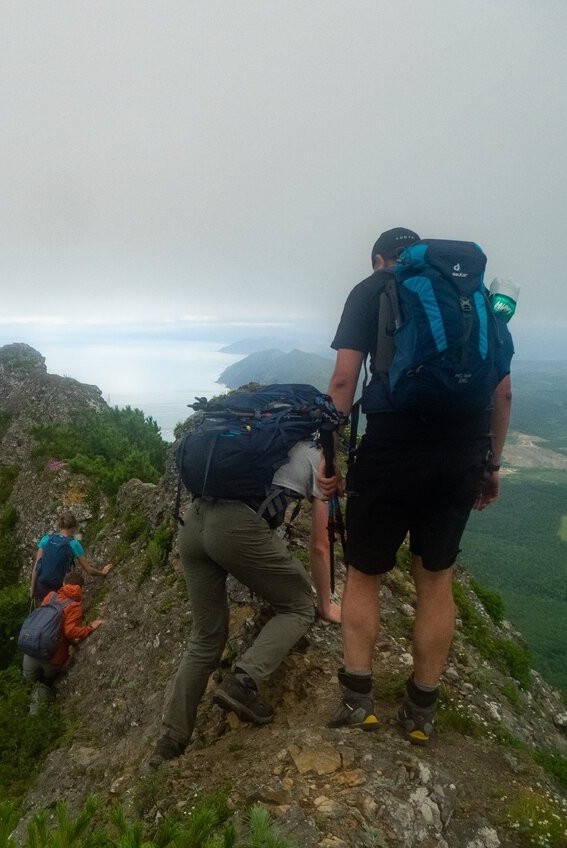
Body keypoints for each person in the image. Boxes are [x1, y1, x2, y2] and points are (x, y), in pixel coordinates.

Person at [320, 227, 513, 744]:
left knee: (364, 576)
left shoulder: (373, 289)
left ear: (381, 258)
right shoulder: (474, 296)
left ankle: (358, 700)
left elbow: (342, 382)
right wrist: (490, 466)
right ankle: (421, 712)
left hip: (392, 451)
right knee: (436, 579)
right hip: (461, 456)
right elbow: (503, 393)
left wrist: (329, 456)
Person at [149, 441, 322, 767]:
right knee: (299, 606)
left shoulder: (253, 438)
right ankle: (242, 682)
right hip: (235, 528)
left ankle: (169, 743)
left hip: (194, 521)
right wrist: (324, 599)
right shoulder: (315, 454)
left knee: (205, 638)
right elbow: (322, 543)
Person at [272, 440, 341, 624]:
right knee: (301, 606)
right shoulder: (318, 457)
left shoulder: (262, 437)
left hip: (201, 524)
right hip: (245, 536)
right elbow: (320, 546)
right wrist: (325, 607)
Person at [23, 572, 104, 714]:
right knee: (44, 685)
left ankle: (19, 712)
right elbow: (70, 632)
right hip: (53, 657)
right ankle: (35, 718)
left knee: (27, 685)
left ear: (64, 584)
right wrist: (90, 627)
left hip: (31, 649)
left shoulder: (50, 596)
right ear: (80, 588)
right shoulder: (74, 606)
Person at [29, 511, 112, 600]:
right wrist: (103, 573)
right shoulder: (73, 544)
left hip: (41, 586)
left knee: (43, 612)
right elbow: (89, 570)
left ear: (60, 525)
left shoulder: (46, 539)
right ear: (74, 527)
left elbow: (37, 566)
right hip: (58, 589)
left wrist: (32, 589)